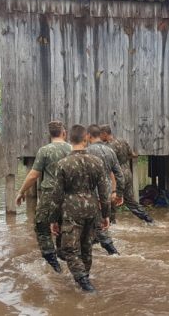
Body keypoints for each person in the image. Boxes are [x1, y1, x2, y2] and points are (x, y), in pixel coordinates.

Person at [50, 124, 110, 292]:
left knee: (69, 249)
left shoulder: (62, 164)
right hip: (92, 208)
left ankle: (84, 283)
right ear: (86, 139)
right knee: (86, 246)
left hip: (71, 209)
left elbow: (56, 195)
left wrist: (53, 220)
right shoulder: (97, 162)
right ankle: (84, 278)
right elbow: (104, 193)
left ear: (69, 139)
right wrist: (106, 215)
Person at [15, 121, 70, 273]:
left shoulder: (44, 151)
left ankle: (52, 261)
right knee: (64, 225)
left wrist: (21, 192)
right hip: (68, 196)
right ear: (64, 133)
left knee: (42, 227)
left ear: (50, 134)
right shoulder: (72, 149)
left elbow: (33, 175)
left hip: (49, 195)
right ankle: (63, 255)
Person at [100, 124, 154, 224]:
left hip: (116, 176)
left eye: (100, 135)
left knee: (111, 200)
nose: (99, 137)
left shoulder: (107, 147)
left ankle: (111, 224)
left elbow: (108, 164)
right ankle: (148, 219)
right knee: (130, 201)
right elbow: (132, 154)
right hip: (127, 173)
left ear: (104, 134)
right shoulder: (122, 141)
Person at [85, 124, 124, 255]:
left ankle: (113, 253)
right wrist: (118, 193)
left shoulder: (87, 152)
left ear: (89, 136)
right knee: (101, 222)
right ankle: (95, 246)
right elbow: (119, 174)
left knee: (99, 225)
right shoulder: (110, 151)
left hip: (92, 194)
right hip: (107, 192)